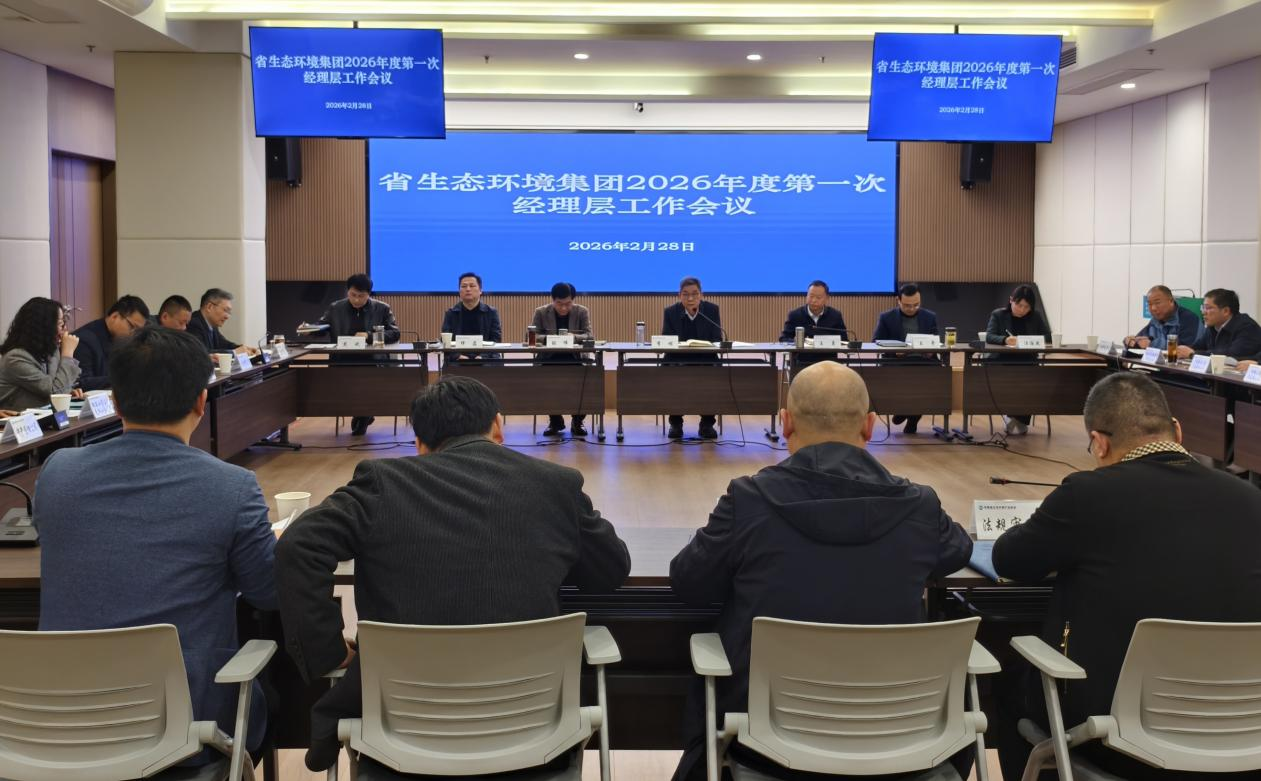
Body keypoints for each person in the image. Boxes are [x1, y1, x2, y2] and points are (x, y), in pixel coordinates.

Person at [276, 376, 631, 772]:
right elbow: (611, 570)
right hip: (533, 731)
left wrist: (330, 651)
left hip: (399, 736)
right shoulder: (556, 485)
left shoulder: (382, 485)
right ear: (497, 426)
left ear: (419, 443)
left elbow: (298, 547)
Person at [669, 362, 973, 781]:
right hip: (899, 739)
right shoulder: (919, 506)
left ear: (786, 423)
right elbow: (957, 550)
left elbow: (688, 580)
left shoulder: (748, 500)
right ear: (869, 426)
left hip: (766, 743)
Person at [990, 372, 1261, 781]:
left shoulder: (1088, 494)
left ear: (1098, 443)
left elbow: (1009, 559)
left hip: (1117, 738)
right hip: (1241, 733)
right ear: (1177, 431)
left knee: (1008, 680)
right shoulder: (1251, 500)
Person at [34, 326, 278, 766]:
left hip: (58, 722)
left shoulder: (57, 472)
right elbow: (267, 591)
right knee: (274, 693)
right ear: (201, 402)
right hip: (182, 732)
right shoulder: (232, 487)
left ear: (115, 401)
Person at [317, 273, 402, 436]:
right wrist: (310, 330)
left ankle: (363, 414)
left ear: (369, 294)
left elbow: (394, 333)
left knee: (368, 384)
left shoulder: (382, 308)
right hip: (342, 361)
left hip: (372, 361)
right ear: (347, 291)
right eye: (353, 295)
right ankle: (362, 414)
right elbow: (322, 326)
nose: (356, 300)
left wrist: (369, 336)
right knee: (346, 387)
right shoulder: (335, 307)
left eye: (361, 296)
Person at [873, 283, 941, 434]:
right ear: (898, 301)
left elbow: (936, 340)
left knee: (936, 376)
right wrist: (894, 351)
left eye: (916, 305)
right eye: (907, 305)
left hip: (924, 361)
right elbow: (876, 341)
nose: (911, 309)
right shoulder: (887, 317)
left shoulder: (929, 316)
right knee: (904, 377)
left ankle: (909, 414)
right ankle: (908, 412)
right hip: (896, 361)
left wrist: (931, 351)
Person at [985, 284, 1052, 435]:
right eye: (1019, 305)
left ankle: (1016, 419)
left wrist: (1030, 339)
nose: (1022, 310)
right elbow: (989, 336)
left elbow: (1048, 336)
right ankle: (1013, 417)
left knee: (1031, 380)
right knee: (1011, 379)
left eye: (1026, 307)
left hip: (1028, 360)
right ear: (1011, 300)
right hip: (1002, 361)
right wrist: (1005, 340)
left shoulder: (1035, 316)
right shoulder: (998, 315)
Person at [532, 281, 594, 437]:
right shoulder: (541, 312)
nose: (564, 308)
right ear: (553, 300)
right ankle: (555, 422)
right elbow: (533, 336)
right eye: (559, 304)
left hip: (576, 359)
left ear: (573, 300)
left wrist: (573, 337)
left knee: (587, 379)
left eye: (568, 304)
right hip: (548, 359)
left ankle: (577, 421)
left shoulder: (582, 311)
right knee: (546, 382)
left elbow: (589, 336)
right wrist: (552, 339)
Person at [663, 276, 722, 440]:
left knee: (714, 374)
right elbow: (666, 339)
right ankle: (675, 423)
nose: (690, 298)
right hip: (677, 360)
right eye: (686, 294)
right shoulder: (670, 312)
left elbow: (717, 338)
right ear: (679, 295)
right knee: (670, 374)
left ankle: (707, 424)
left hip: (706, 359)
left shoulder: (711, 310)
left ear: (701, 295)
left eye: (695, 294)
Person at [0, 297, 81, 410]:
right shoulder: (15, 358)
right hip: (17, 418)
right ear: (44, 327)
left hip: (42, 415)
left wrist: (68, 392)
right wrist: (67, 354)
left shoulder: (51, 350)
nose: (65, 329)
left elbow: (56, 387)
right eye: (61, 324)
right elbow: (55, 393)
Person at [71, 294, 150, 390]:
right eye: (132, 327)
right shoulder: (84, 340)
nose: (134, 334)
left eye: (138, 331)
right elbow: (82, 382)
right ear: (115, 316)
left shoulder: (123, 340)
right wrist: (123, 379)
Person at [1175, 288, 1261, 361]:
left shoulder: (1247, 327)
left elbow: (1231, 355)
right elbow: (1197, 347)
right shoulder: (1213, 326)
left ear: (1226, 311)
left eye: (1208, 308)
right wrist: (1181, 351)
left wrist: (1193, 354)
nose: (1203, 312)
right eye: (1203, 307)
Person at [778, 280, 848, 368]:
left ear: (827, 298)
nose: (814, 300)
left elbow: (844, 340)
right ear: (806, 296)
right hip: (802, 363)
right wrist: (797, 342)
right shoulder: (795, 315)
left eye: (818, 297)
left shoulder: (835, 315)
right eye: (811, 296)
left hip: (829, 364)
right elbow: (783, 339)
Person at [1123, 285, 1202, 350]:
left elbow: (1184, 349)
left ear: (1171, 301)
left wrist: (1152, 344)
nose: (1153, 308)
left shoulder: (1190, 319)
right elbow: (1141, 340)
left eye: (1157, 303)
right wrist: (1131, 341)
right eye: (1150, 304)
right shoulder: (1155, 320)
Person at [187, 288, 258, 356]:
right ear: (209, 307)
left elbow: (224, 344)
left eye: (229, 312)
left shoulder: (212, 324)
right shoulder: (193, 323)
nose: (227, 317)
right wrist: (234, 352)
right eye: (225, 310)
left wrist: (244, 349)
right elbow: (201, 352)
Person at [440, 271, 502, 346]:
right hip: (458, 353)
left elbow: (496, 340)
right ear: (459, 291)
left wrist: (482, 353)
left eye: (472, 286)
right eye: (464, 286)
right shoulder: (451, 313)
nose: (468, 289)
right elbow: (445, 341)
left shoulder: (491, 313)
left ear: (480, 290)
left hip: (484, 353)